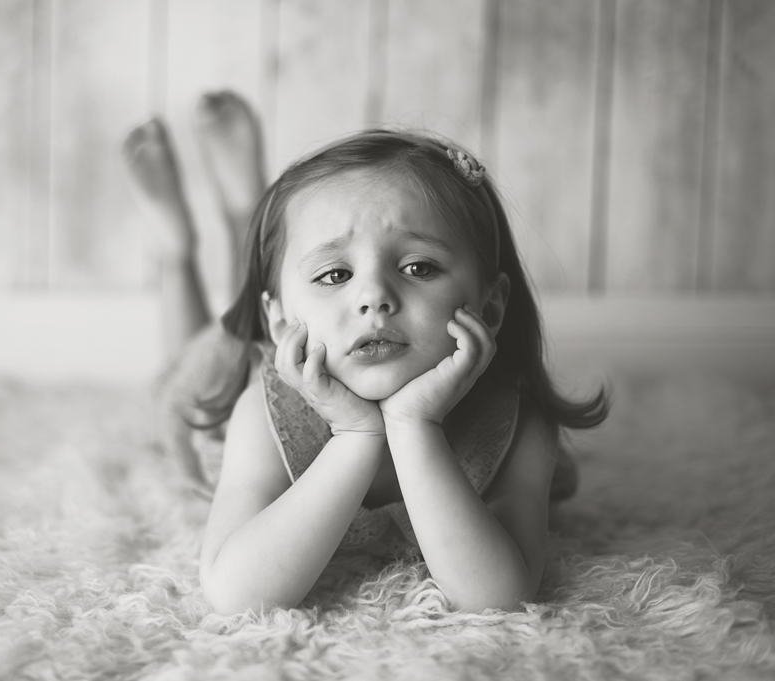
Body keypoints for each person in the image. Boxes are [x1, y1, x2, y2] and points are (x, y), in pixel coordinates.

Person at [122, 92, 608, 615]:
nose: (374, 297)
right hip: (257, 361)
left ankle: (244, 219)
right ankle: (177, 252)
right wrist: (355, 437)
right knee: (189, 380)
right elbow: (236, 593)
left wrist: (414, 425)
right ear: (282, 320)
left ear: (489, 309)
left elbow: (500, 595)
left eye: (419, 267)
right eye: (336, 274)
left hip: (326, 335)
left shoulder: (516, 422)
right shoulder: (264, 410)